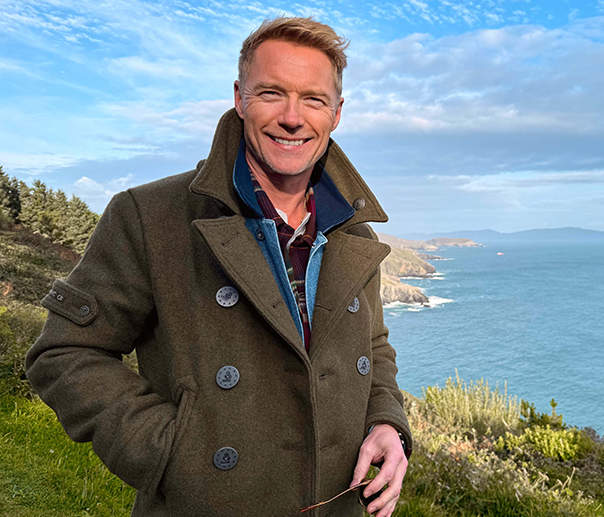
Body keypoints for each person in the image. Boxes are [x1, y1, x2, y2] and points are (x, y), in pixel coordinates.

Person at [25, 16, 411, 517]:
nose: (293, 118)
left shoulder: (353, 232)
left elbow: (373, 348)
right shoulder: (152, 215)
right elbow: (66, 351)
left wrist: (386, 422)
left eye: (313, 99)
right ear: (240, 98)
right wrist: (172, 453)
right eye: (272, 93)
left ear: (337, 113)